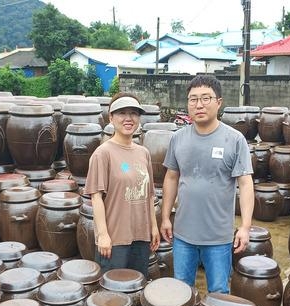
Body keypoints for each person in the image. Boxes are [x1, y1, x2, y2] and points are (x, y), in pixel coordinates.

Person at [160, 75, 254, 293]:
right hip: (183, 234)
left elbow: (246, 184)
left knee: (219, 292)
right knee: (181, 291)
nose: (199, 105)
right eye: (193, 99)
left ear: (218, 102)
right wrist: (165, 217)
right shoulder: (178, 138)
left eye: (205, 98)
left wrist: (245, 227)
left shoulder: (234, 139)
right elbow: (171, 178)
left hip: (218, 237)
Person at [85, 93, 160, 277]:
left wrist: (153, 227)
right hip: (115, 240)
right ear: (111, 117)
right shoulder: (103, 154)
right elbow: (96, 198)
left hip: (141, 237)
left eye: (134, 113)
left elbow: (149, 195)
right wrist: (103, 235)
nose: (128, 118)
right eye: (122, 113)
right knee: (113, 296)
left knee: (136, 287)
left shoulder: (143, 153)